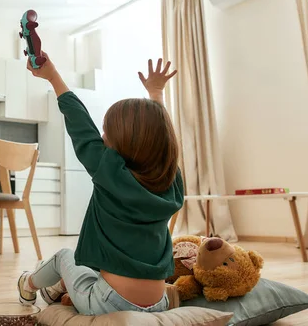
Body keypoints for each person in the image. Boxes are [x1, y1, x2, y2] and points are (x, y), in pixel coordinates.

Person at [17, 53, 184, 316]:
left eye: (106, 132)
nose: (102, 136)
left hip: (109, 303)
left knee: (64, 256)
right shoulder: (171, 183)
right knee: (92, 266)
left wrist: (53, 76)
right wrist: (156, 93)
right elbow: (162, 139)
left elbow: (80, 124)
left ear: (120, 145)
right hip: (158, 303)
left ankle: (27, 284)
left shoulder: (110, 173)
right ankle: (56, 290)